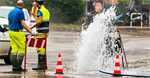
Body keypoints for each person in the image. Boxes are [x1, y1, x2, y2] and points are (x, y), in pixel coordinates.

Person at [8, 0, 33, 71]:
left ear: (16, 4)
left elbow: (9, 23)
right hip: (18, 32)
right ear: (22, 6)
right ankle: (19, 66)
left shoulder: (10, 12)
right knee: (23, 48)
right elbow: (23, 23)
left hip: (11, 32)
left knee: (14, 49)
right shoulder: (21, 11)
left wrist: (10, 30)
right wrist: (30, 31)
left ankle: (14, 67)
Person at [30, 0, 50, 70]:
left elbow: (39, 21)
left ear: (38, 3)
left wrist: (31, 27)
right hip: (46, 31)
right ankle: (44, 65)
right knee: (43, 47)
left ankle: (41, 65)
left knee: (40, 48)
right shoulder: (46, 10)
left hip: (41, 31)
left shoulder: (40, 11)